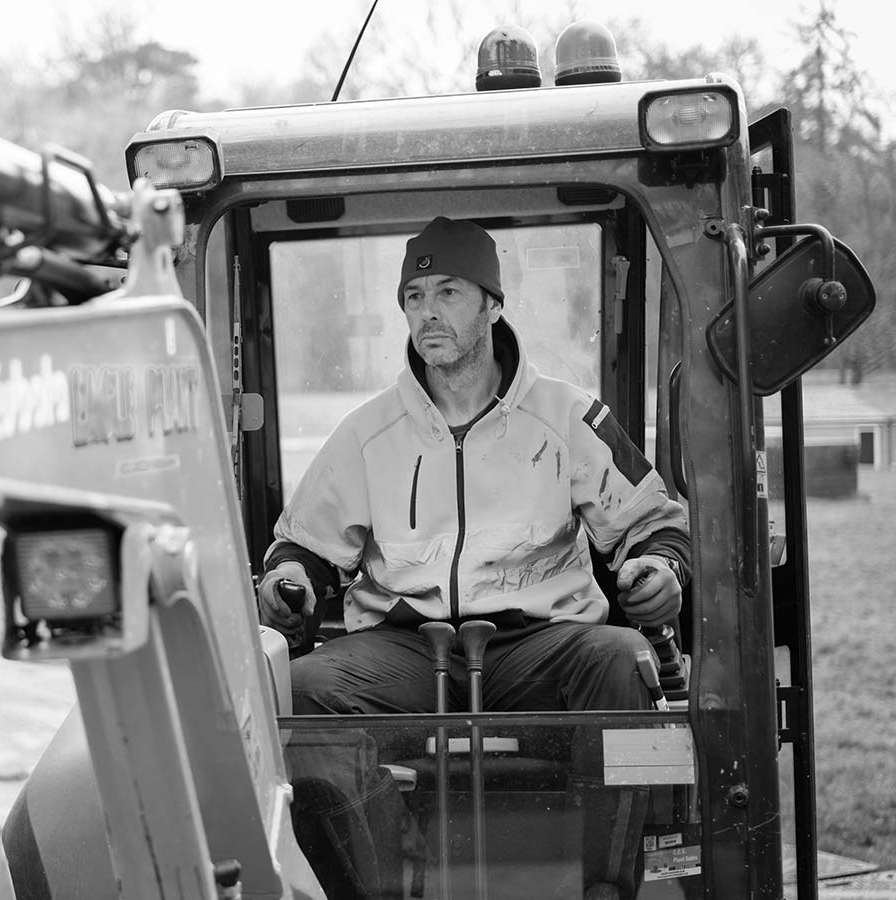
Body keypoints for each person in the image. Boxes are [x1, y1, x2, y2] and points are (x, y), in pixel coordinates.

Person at [258, 216, 690, 900]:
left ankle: (606, 887)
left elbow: (653, 522)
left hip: (540, 646)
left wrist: (660, 570)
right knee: (300, 693)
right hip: (403, 650)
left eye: (449, 292)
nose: (427, 312)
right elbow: (304, 548)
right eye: (414, 296)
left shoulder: (567, 417)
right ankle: (379, 886)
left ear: (492, 302)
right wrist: (291, 582)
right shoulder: (366, 434)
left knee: (620, 664)